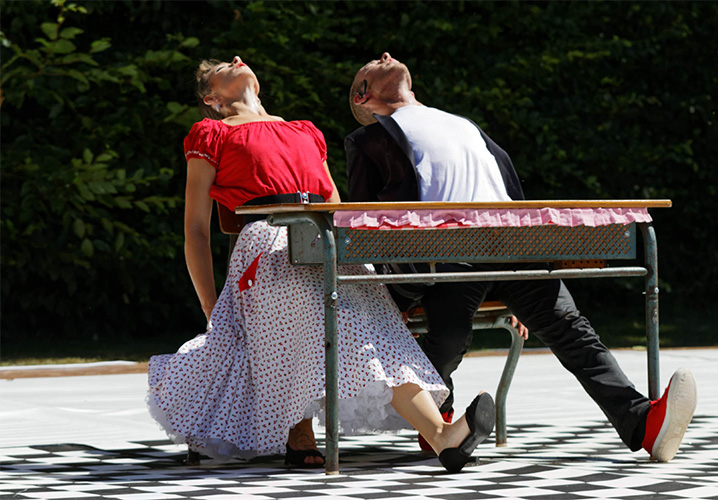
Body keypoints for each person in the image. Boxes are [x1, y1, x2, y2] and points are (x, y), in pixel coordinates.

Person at [146, 56, 495, 473]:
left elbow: (334, 203)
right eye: (223, 66)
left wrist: (360, 256)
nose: (238, 61)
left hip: (326, 237)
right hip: (268, 240)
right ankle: (299, 432)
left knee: (377, 328)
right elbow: (196, 231)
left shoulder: (303, 131)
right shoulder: (211, 133)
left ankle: (443, 436)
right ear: (212, 98)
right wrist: (211, 307)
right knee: (320, 315)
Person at [344, 52, 697, 463]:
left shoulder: (462, 123)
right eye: (371, 64)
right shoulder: (368, 139)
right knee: (450, 337)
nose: (385, 55)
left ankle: (643, 425)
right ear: (363, 97)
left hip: (511, 249)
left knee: (571, 327)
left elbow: (510, 195)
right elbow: (367, 226)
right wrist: (393, 294)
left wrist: (529, 257)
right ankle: (437, 423)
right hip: (443, 256)